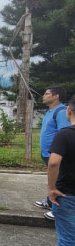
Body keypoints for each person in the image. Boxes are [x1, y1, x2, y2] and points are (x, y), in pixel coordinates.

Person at [31, 95, 75, 246]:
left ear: (69, 111)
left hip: (67, 191)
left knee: (67, 234)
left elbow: (54, 162)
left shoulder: (65, 134)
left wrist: (51, 189)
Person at [34, 87, 71, 220]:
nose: (43, 96)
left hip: (56, 154)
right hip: (47, 153)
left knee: (60, 181)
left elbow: (64, 134)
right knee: (54, 179)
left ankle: (58, 210)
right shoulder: (50, 111)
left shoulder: (61, 112)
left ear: (56, 96)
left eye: (47, 93)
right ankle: (49, 202)